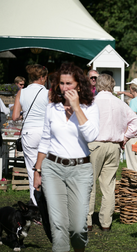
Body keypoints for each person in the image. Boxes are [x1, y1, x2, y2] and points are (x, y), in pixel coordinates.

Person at [33, 62, 99, 252]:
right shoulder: (52, 107)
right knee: (58, 225)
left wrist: (77, 108)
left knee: (78, 228)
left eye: (69, 83)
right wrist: (38, 170)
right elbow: (45, 139)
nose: (64, 88)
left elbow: (92, 136)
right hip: (53, 168)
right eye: (61, 83)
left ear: (79, 84)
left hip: (80, 170)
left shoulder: (90, 107)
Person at [87, 74, 137, 232]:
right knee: (108, 185)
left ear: (98, 85)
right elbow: (136, 122)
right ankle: (105, 222)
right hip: (114, 146)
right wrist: (125, 137)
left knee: (89, 184)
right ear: (112, 86)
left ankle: (87, 221)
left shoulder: (92, 102)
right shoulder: (120, 103)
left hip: (94, 145)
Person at [12, 64, 49, 206]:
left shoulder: (22, 92)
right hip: (45, 132)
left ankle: (35, 204)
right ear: (41, 77)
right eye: (45, 77)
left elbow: (15, 116)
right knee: (47, 169)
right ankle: (48, 202)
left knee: (31, 170)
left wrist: (25, 114)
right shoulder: (48, 93)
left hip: (29, 133)